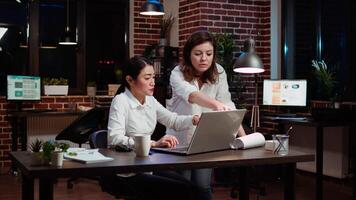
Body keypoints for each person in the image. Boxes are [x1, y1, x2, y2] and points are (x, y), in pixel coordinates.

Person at [166, 30, 246, 200]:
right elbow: (192, 95)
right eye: (198, 54)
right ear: (189, 54)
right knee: (183, 186)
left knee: (203, 186)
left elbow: (228, 105)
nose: (204, 59)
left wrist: (245, 139)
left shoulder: (220, 72)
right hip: (180, 139)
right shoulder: (177, 73)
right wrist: (216, 105)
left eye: (208, 54)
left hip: (206, 140)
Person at [107, 55, 201, 200]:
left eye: (153, 77)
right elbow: (115, 139)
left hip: (146, 165)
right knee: (183, 190)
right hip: (128, 171)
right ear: (130, 80)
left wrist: (193, 120)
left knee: (192, 188)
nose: (152, 83)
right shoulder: (121, 101)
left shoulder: (150, 100)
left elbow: (172, 120)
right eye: (147, 78)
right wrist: (153, 144)